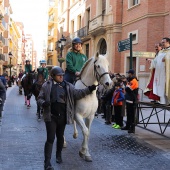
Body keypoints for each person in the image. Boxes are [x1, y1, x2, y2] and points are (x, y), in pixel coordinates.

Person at [37, 66, 96, 170]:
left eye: (62, 75)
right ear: (53, 76)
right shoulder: (46, 85)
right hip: (51, 116)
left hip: (63, 117)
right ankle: (47, 164)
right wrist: (43, 103)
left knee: (60, 137)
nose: (61, 77)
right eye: (59, 75)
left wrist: (88, 89)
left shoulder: (68, 86)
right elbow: (39, 98)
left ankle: (58, 155)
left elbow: (77, 94)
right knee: (50, 139)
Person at [121, 69, 138, 133]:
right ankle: (128, 126)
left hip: (132, 100)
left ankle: (132, 128)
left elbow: (128, 89)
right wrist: (127, 84)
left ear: (132, 74)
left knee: (132, 114)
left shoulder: (134, 81)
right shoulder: (130, 81)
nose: (128, 74)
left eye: (129, 73)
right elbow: (127, 88)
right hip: (128, 99)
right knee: (128, 114)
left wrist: (126, 84)